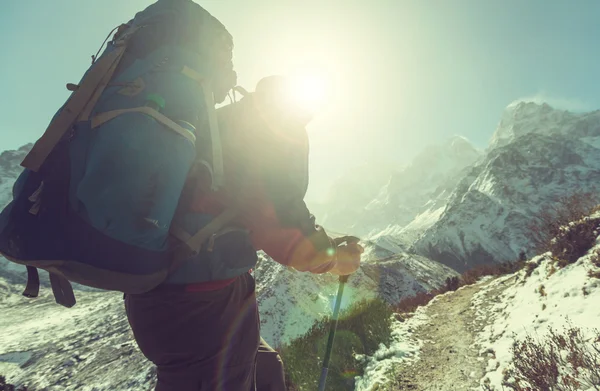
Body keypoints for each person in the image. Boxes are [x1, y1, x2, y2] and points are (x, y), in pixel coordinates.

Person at [124, 76, 364, 391]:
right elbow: (281, 226)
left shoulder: (219, 127)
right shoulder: (268, 135)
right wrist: (334, 259)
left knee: (265, 369)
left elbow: (252, 210)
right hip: (201, 306)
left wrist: (328, 243)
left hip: (167, 297)